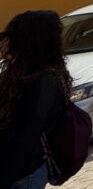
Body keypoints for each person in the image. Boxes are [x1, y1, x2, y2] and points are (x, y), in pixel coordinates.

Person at [0, 10, 73, 189]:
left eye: (9, 37)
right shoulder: (22, 73)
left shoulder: (44, 81)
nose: (4, 42)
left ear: (26, 41)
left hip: (22, 175)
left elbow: (25, 137)